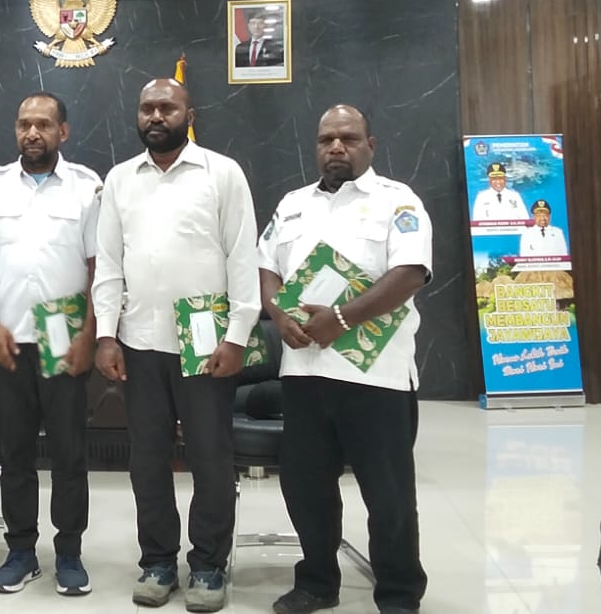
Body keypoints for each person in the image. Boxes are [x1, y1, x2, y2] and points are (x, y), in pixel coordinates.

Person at [92, 78, 259, 612]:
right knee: (147, 460)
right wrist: (105, 334)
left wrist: (237, 336)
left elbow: (242, 258)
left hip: (206, 343)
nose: (156, 116)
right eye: (147, 108)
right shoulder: (120, 179)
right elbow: (109, 264)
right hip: (140, 341)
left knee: (210, 457)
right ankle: (158, 561)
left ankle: (208, 564)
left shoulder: (221, 173)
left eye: (167, 107)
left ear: (190, 114)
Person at [258, 105, 431, 614]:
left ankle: (399, 593)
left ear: (370, 145)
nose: (336, 146)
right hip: (304, 372)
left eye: (348, 138)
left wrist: (343, 317)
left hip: (375, 376)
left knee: (388, 494)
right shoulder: (292, 205)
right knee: (306, 486)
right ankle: (316, 583)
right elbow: (265, 266)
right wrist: (277, 312)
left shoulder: (398, 201)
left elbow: (410, 273)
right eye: (326, 139)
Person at [0, 92, 102, 596]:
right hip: (5, 340)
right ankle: (20, 550)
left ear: (63, 131)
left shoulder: (87, 188)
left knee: (69, 454)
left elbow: (100, 268)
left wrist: (89, 335)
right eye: (24, 124)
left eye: (43, 124)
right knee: (14, 453)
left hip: (64, 340)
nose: (32, 133)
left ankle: (69, 552)